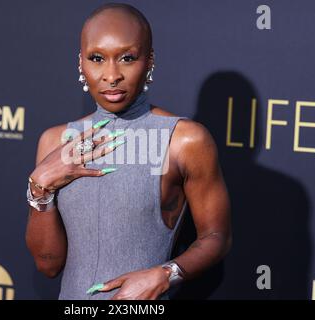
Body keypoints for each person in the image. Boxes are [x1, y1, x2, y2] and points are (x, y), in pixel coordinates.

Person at [25, 3, 231, 300]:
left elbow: (217, 237)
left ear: (149, 61)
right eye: (97, 58)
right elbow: (48, 265)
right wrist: (39, 188)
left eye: (127, 58)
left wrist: (164, 275)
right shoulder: (54, 141)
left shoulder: (184, 139)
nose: (112, 75)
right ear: (80, 62)